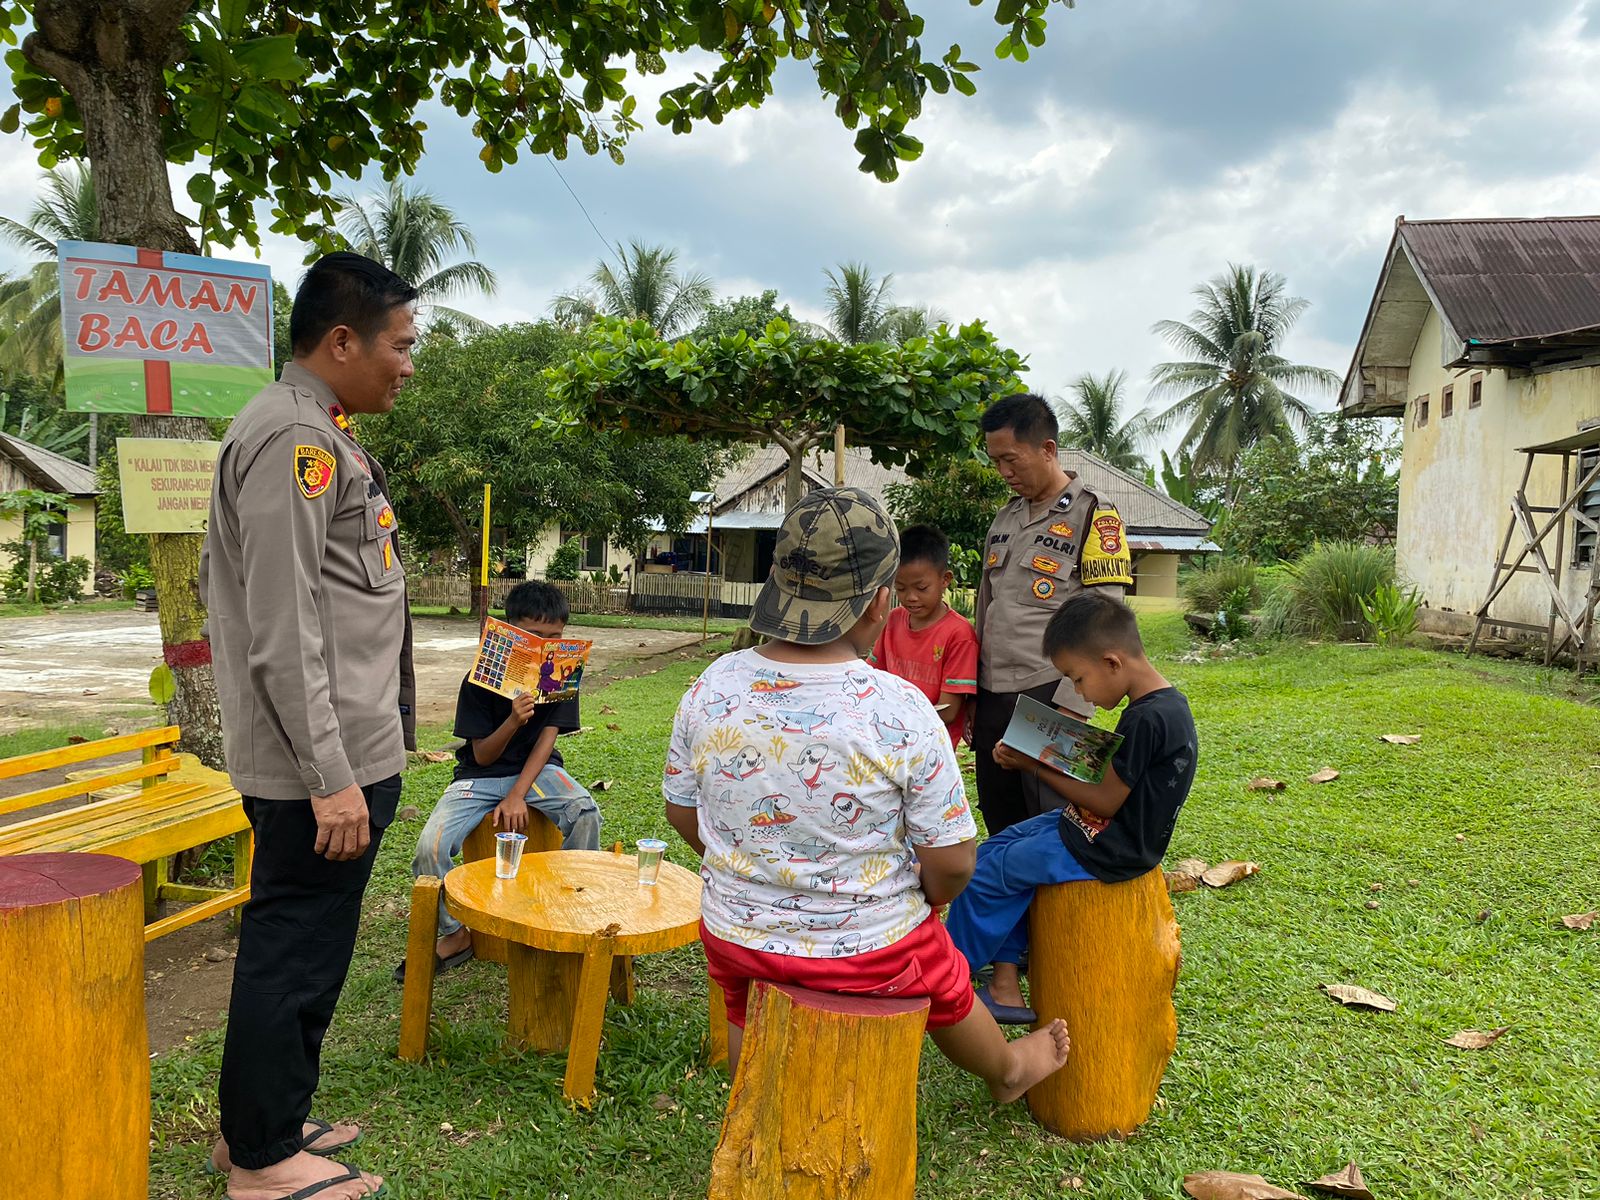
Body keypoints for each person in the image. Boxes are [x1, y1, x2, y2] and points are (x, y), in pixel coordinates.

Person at [663, 488, 1071, 1103]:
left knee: (743, 1001)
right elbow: (954, 861)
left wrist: (755, 873)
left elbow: (681, 811)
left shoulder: (709, 685)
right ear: (881, 600)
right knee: (943, 978)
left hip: (734, 933)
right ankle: (1008, 1072)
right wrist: (921, 899)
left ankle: (756, 1098)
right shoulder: (900, 707)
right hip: (870, 949)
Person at [200, 253, 420, 1200]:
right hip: (315, 768)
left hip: (338, 753)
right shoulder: (297, 443)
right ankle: (260, 1162)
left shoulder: (318, 432)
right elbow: (284, 633)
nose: (408, 364)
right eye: (400, 345)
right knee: (292, 947)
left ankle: (264, 1125)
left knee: (305, 948)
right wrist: (332, 776)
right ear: (342, 342)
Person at [946, 591, 1197, 1025]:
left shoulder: (1148, 718)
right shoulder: (1160, 704)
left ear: (1112, 663)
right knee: (995, 848)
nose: (1078, 691)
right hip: (1094, 830)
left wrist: (1033, 764)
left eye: (1077, 679)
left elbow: (1106, 798)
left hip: (1110, 850)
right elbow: (1115, 775)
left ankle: (944, 978)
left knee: (986, 871)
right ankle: (1003, 984)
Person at [399, 580, 601, 980]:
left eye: (554, 637)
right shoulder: (478, 679)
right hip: (479, 775)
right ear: (510, 632)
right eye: (534, 636)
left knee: (585, 811)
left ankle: (566, 911)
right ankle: (455, 934)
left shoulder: (561, 673)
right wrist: (513, 719)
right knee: (429, 848)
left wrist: (517, 795)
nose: (545, 645)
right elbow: (481, 755)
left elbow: (547, 741)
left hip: (537, 771)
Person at [973, 393, 1133, 835]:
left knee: (1056, 827)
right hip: (992, 696)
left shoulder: (1095, 516)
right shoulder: (1004, 520)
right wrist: (972, 694)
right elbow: (985, 610)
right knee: (1001, 824)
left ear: (1047, 450)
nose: (1004, 473)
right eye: (996, 462)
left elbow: (1107, 618)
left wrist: (1074, 704)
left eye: (1011, 459)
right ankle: (1017, 908)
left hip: (1050, 695)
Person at [867, 523, 979, 744]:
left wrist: (895, 720)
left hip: (932, 745)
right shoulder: (894, 620)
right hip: (889, 737)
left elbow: (948, 711)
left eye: (921, 588)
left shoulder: (959, 634)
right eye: (901, 588)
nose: (911, 597)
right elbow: (873, 678)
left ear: (945, 579)